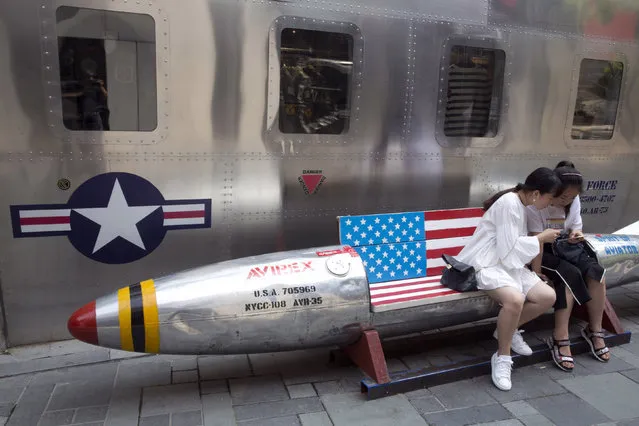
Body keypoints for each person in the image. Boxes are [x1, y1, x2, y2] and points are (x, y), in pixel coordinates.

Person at [455, 167, 561, 391]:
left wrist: (537, 242)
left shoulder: (520, 203)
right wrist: (541, 238)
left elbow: (510, 250)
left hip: (506, 263)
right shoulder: (509, 204)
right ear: (536, 194)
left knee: (547, 296)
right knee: (514, 300)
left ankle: (508, 329)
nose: (549, 204)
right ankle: (502, 356)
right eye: (549, 198)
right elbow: (507, 249)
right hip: (487, 263)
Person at [526, 161, 610, 372]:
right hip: (542, 251)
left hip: (565, 247)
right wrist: (536, 273)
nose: (567, 201)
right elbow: (536, 242)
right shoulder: (539, 203)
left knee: (596, 273)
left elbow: (576, 228)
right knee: (568, 276)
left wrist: (575, 235)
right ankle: (560, 337)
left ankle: (595, 330)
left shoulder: (573, 201)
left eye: (572, 198)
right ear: (553, 190)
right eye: (563, 197)